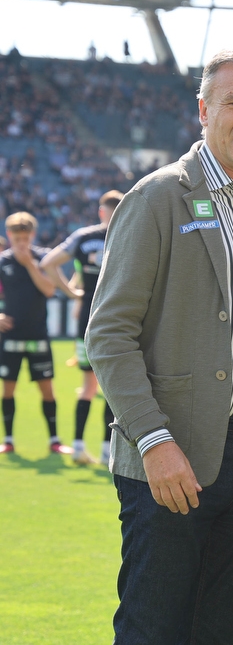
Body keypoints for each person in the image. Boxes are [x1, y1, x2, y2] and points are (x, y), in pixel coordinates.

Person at [86, 47, 233, 644]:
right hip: (172, 454)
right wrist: (152, 438)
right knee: (154, 627)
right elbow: (109, 333)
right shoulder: (158, 197)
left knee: (218, 629)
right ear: (203, 109)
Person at [40, 189, 123, 465]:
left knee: (87, 386)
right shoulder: (127, 235)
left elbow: (48, 262)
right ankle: (106, 450)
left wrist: (71, 292)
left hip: (85, 321)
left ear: (101, 211)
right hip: (118, 321)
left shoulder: (83, 237)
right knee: (113, 387)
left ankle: (76, 446)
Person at [0, 212, 62, 455]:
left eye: (25, 238)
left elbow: (49, 290)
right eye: (16, 238)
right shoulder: (3, 261)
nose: (21, 243)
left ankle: (54, 440)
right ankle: (8, 440)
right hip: (11, 337)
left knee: (46, 388)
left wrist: (29, 263)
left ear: (33, 235)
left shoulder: (44, 258)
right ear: (9, 235)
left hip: (38, 335)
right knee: (8, 389)